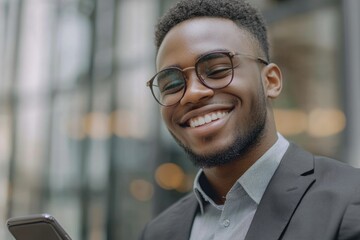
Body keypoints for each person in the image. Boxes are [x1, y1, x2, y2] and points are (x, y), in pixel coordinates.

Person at [140, 0, 360, 239]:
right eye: (172, 84)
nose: (192, 93)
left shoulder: (350, 202)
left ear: (271, 82)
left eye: (216, 70)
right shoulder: (157, 233)